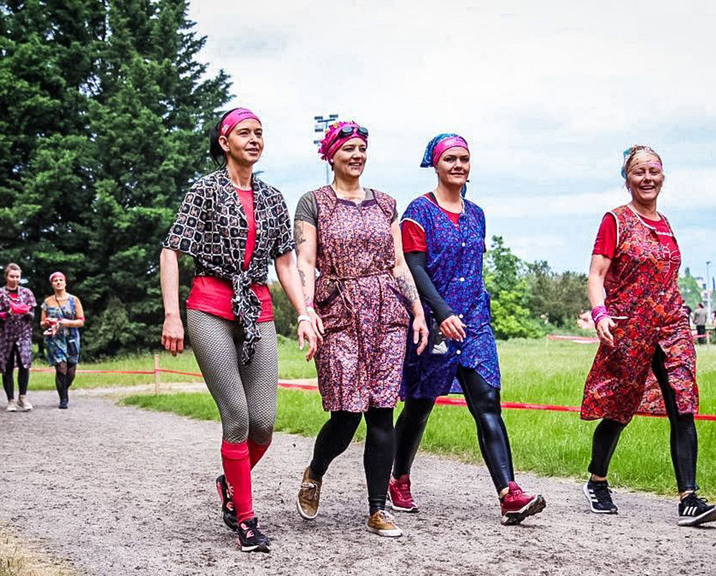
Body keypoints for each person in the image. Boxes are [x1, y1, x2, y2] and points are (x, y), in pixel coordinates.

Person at [160, 107, 316, 553]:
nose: (254, 139)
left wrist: (303, 313)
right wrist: (173, 315)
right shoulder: (204, 191)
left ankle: (230, 481)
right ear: (224, 141)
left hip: (258, 309)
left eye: (259, 133)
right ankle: (246, 522)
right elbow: (171, 251)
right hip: (209, 304)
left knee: (264, 424)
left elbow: (284, 261)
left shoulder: (271, 197)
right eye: (244, 133)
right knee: (237, 417)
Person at [392, 133, 546, 525]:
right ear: (436, 165)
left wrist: (467, 312)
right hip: (434, 323)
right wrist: (440, 312)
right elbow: (416, 267)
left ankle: (509, 493)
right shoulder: (418, 212)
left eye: (464, 159)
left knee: (488, 404)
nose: (458, 165)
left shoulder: (477, 213)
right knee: (420, 406)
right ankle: (398, 477)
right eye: (450, 159)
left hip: (475, 323)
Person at [294, 121, 428, 538]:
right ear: (330, 154)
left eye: (362, 148)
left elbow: (399, 262)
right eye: (348, 148)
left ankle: (376, 508)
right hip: (339, 311)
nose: (356, 155)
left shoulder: (386, 203)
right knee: (347, 412)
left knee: (382, 410)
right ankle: (316, 469)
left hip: (388, 310)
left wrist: (418, 311)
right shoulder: (313, 202)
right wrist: (307, 310)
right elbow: (305, 261)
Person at [582, 145, 716, 527]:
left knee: (683, 403)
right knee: (620, 408)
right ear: (627, 179)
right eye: (639, 172)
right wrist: (600, 314)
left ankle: (689, 498)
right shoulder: (616, 220)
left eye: (654, 171)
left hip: (673, 325)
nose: (647, 178)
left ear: (663, 175)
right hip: (631, 327)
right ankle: (597, 479)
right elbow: (596, 274)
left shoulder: (665, 222)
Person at [0, 263, 37, 412]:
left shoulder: (27, 293)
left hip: (23, 334)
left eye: (17, 277)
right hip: (4, 335)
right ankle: (10, 400)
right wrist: (8, 313)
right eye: (11, 276)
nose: (14, 279)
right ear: (6, 276)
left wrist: (25, 312)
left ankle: (22, 397)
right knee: (8, 367)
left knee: (24, 365)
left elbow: (32, 315)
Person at [40, 272, 85, 409]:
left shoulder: (74, 300)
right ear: (52, 284)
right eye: (55, 280)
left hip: (71, 337)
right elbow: (42, 323)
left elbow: (81, 321)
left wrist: (67, 322)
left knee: (71, 370)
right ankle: (63, 399)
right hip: (55, 338)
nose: (58, 282)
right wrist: (48, 322)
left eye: (61, 280)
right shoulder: (47, 302)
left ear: (65, 283)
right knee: (61, 367)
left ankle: (64, 388)